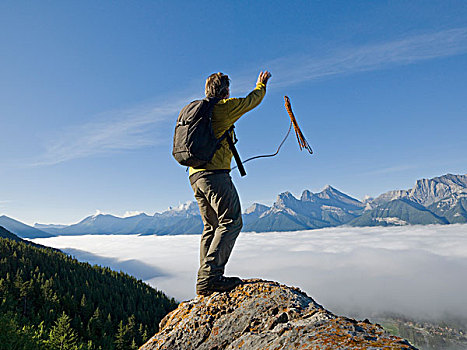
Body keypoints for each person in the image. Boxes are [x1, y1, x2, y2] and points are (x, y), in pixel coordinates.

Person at [189, 70, 272, 296]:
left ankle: (205, 278)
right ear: (225, 90)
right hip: (215, 175)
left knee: (211, 226)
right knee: (232, 221)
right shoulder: (224, 107)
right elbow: (251, 101)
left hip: (194, 176)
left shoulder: (199, 111)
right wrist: (261, 84)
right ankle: (210, 278)